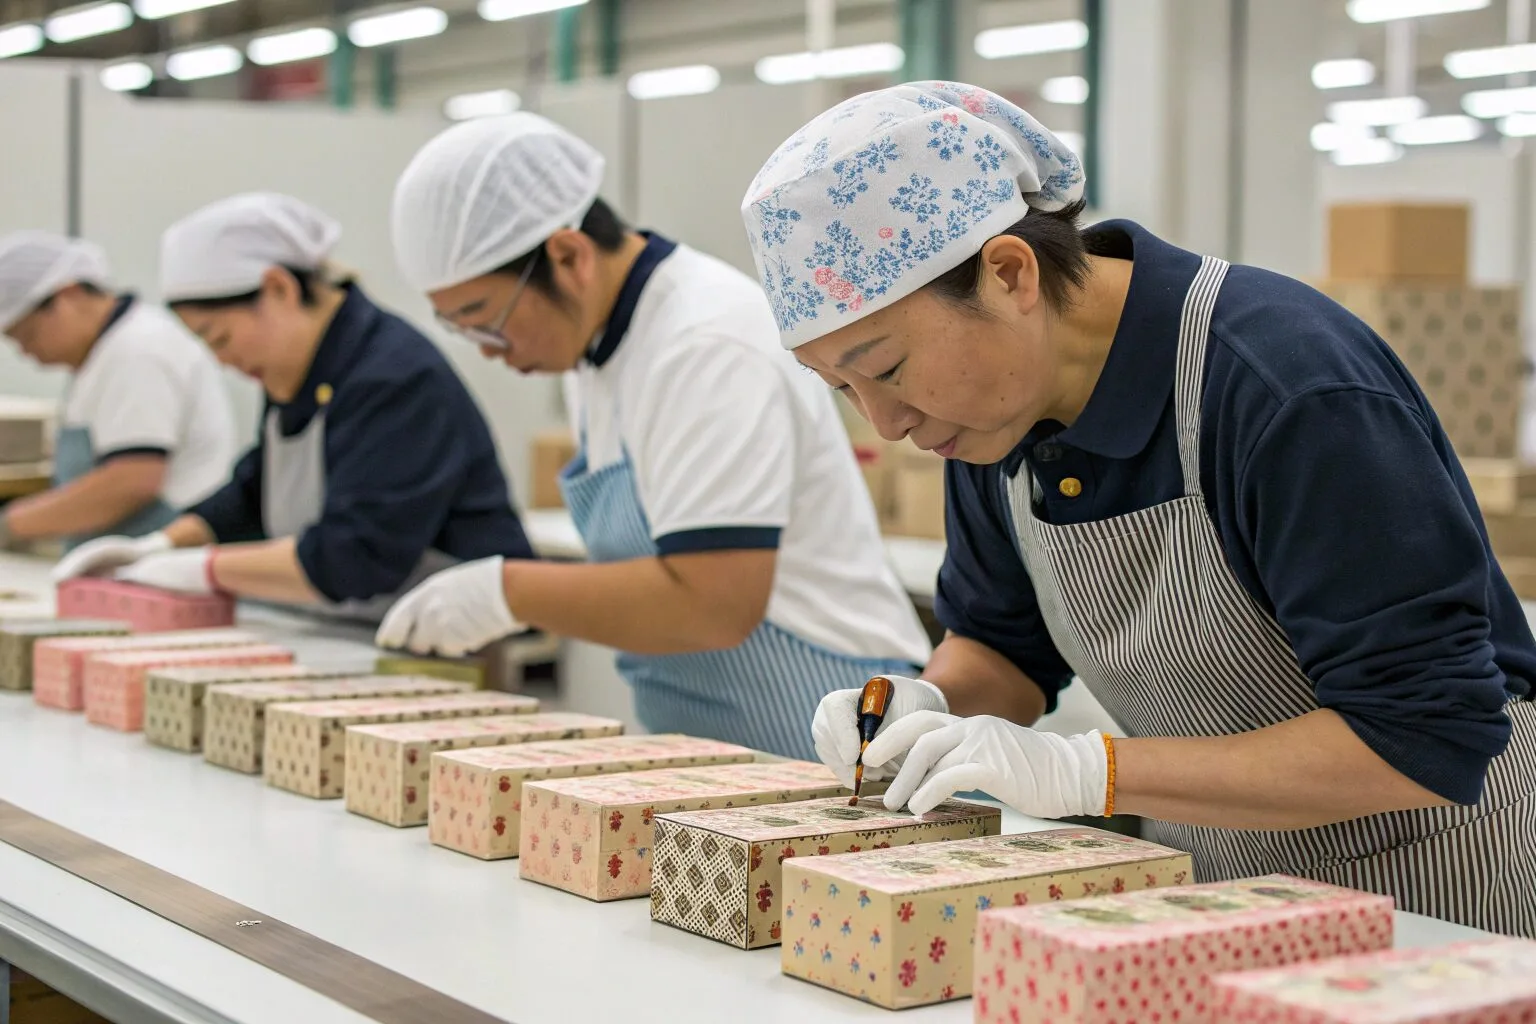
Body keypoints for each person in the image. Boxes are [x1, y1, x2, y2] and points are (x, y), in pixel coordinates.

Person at [744, 82, 1536, 934]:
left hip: (1435, 892)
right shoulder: (989, 415)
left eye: (888, 369)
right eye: (842, 389)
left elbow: (1422, 736)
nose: (887, 423)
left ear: (1009, 273)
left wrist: (1090, 773)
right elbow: (1005, 650)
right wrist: (927, 709)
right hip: (1219, 889)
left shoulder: (1284, 388)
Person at [378, 113, 930, 759]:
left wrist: (505, 591)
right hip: (722, 745)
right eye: (462, 331)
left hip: (829, 728)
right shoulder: (600, 347)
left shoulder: (704, 342)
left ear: (568, 256)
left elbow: (713, 603)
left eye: (485, 320)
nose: (489, 351)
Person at [54, 193, 533, 621]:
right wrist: (159, 544)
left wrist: (201, 569)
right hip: (361, 629)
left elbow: (355, 556)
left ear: (279, 289)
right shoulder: (297, 368)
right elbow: (254, 490)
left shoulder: (394, 377)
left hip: (451, 640)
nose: (222, 360)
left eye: (219, 338)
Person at [0, 231, 236, 551]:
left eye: (27, 334)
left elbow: (132, 481)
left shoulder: (139, 351)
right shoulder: (103, 356)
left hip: (160, 557)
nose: (26, 351)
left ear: (67, 295)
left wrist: (10, 525)